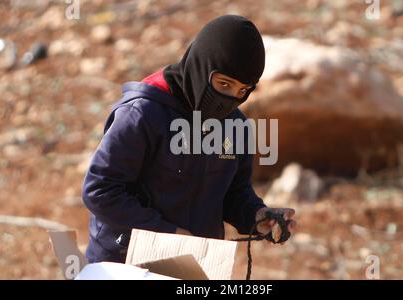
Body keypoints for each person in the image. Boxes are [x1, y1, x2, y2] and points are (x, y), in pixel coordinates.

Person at [82, 14, 296, 263]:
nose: (231, 99)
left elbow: (234, 192)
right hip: (124, 262)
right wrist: (168, 234)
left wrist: (257, 216)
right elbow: (100, 190)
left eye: (242, 91)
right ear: (201, 67)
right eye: (224, 84)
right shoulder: (143, 114)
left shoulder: (235, 125)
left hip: (193, 264)